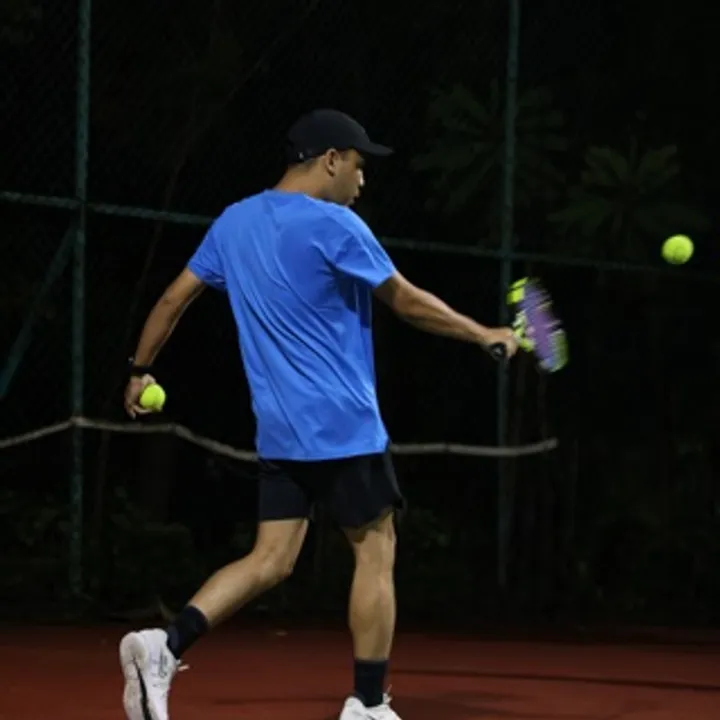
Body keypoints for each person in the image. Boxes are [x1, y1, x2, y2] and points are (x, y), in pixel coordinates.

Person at [118, 108, 518, 720]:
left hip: (280, 430)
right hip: (343, 426)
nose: (362, 180)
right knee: (376, 548)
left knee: (270, 560)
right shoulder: (337, 224)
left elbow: (173, 300)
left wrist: (139, 370)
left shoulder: (233, 222)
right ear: (331, 159)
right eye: (359, 165)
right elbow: (406, 301)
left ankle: (163, 648)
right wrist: (483, 333)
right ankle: (368, 704)